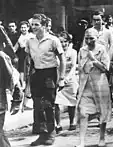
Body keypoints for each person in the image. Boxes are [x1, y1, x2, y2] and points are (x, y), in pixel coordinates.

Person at [25, 13, 66, 146]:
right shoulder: (30, 40)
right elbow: (28, 60)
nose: (34, 27)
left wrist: (62, 78)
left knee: (48, 105)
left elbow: (62, 58)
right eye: (33, 24)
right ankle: (42, 135)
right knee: (38, 106)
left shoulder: (53, 40)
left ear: (44, 26)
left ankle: (51, 133)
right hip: (37, 74)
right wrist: (28, 81)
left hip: (50, 74)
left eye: (37, 24)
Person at [75, 28, 111, 147]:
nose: (89, 41)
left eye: (91, 38)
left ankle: (102, 137)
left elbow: (105, 68)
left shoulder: (102, 49)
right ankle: (81, 141)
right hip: (86, 86)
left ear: (97, 38)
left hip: (100, 85)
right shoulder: (82, 50)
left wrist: (93, 60)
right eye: (87, 38)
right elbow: (80, 68)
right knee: (83, 113)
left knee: (102, 112)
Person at [55, 31, 78, 133]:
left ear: (68, 42)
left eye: (65, 42)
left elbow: (73, 67)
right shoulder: (55, 53)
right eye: (61, 42)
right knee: (55, 102)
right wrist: (59, 79)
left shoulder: (73, 52)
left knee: (71, 102)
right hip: (58, 79)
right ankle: (58, 124)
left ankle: (72, 122)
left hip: (70, 79)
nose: (63, 44)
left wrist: (67, 78)